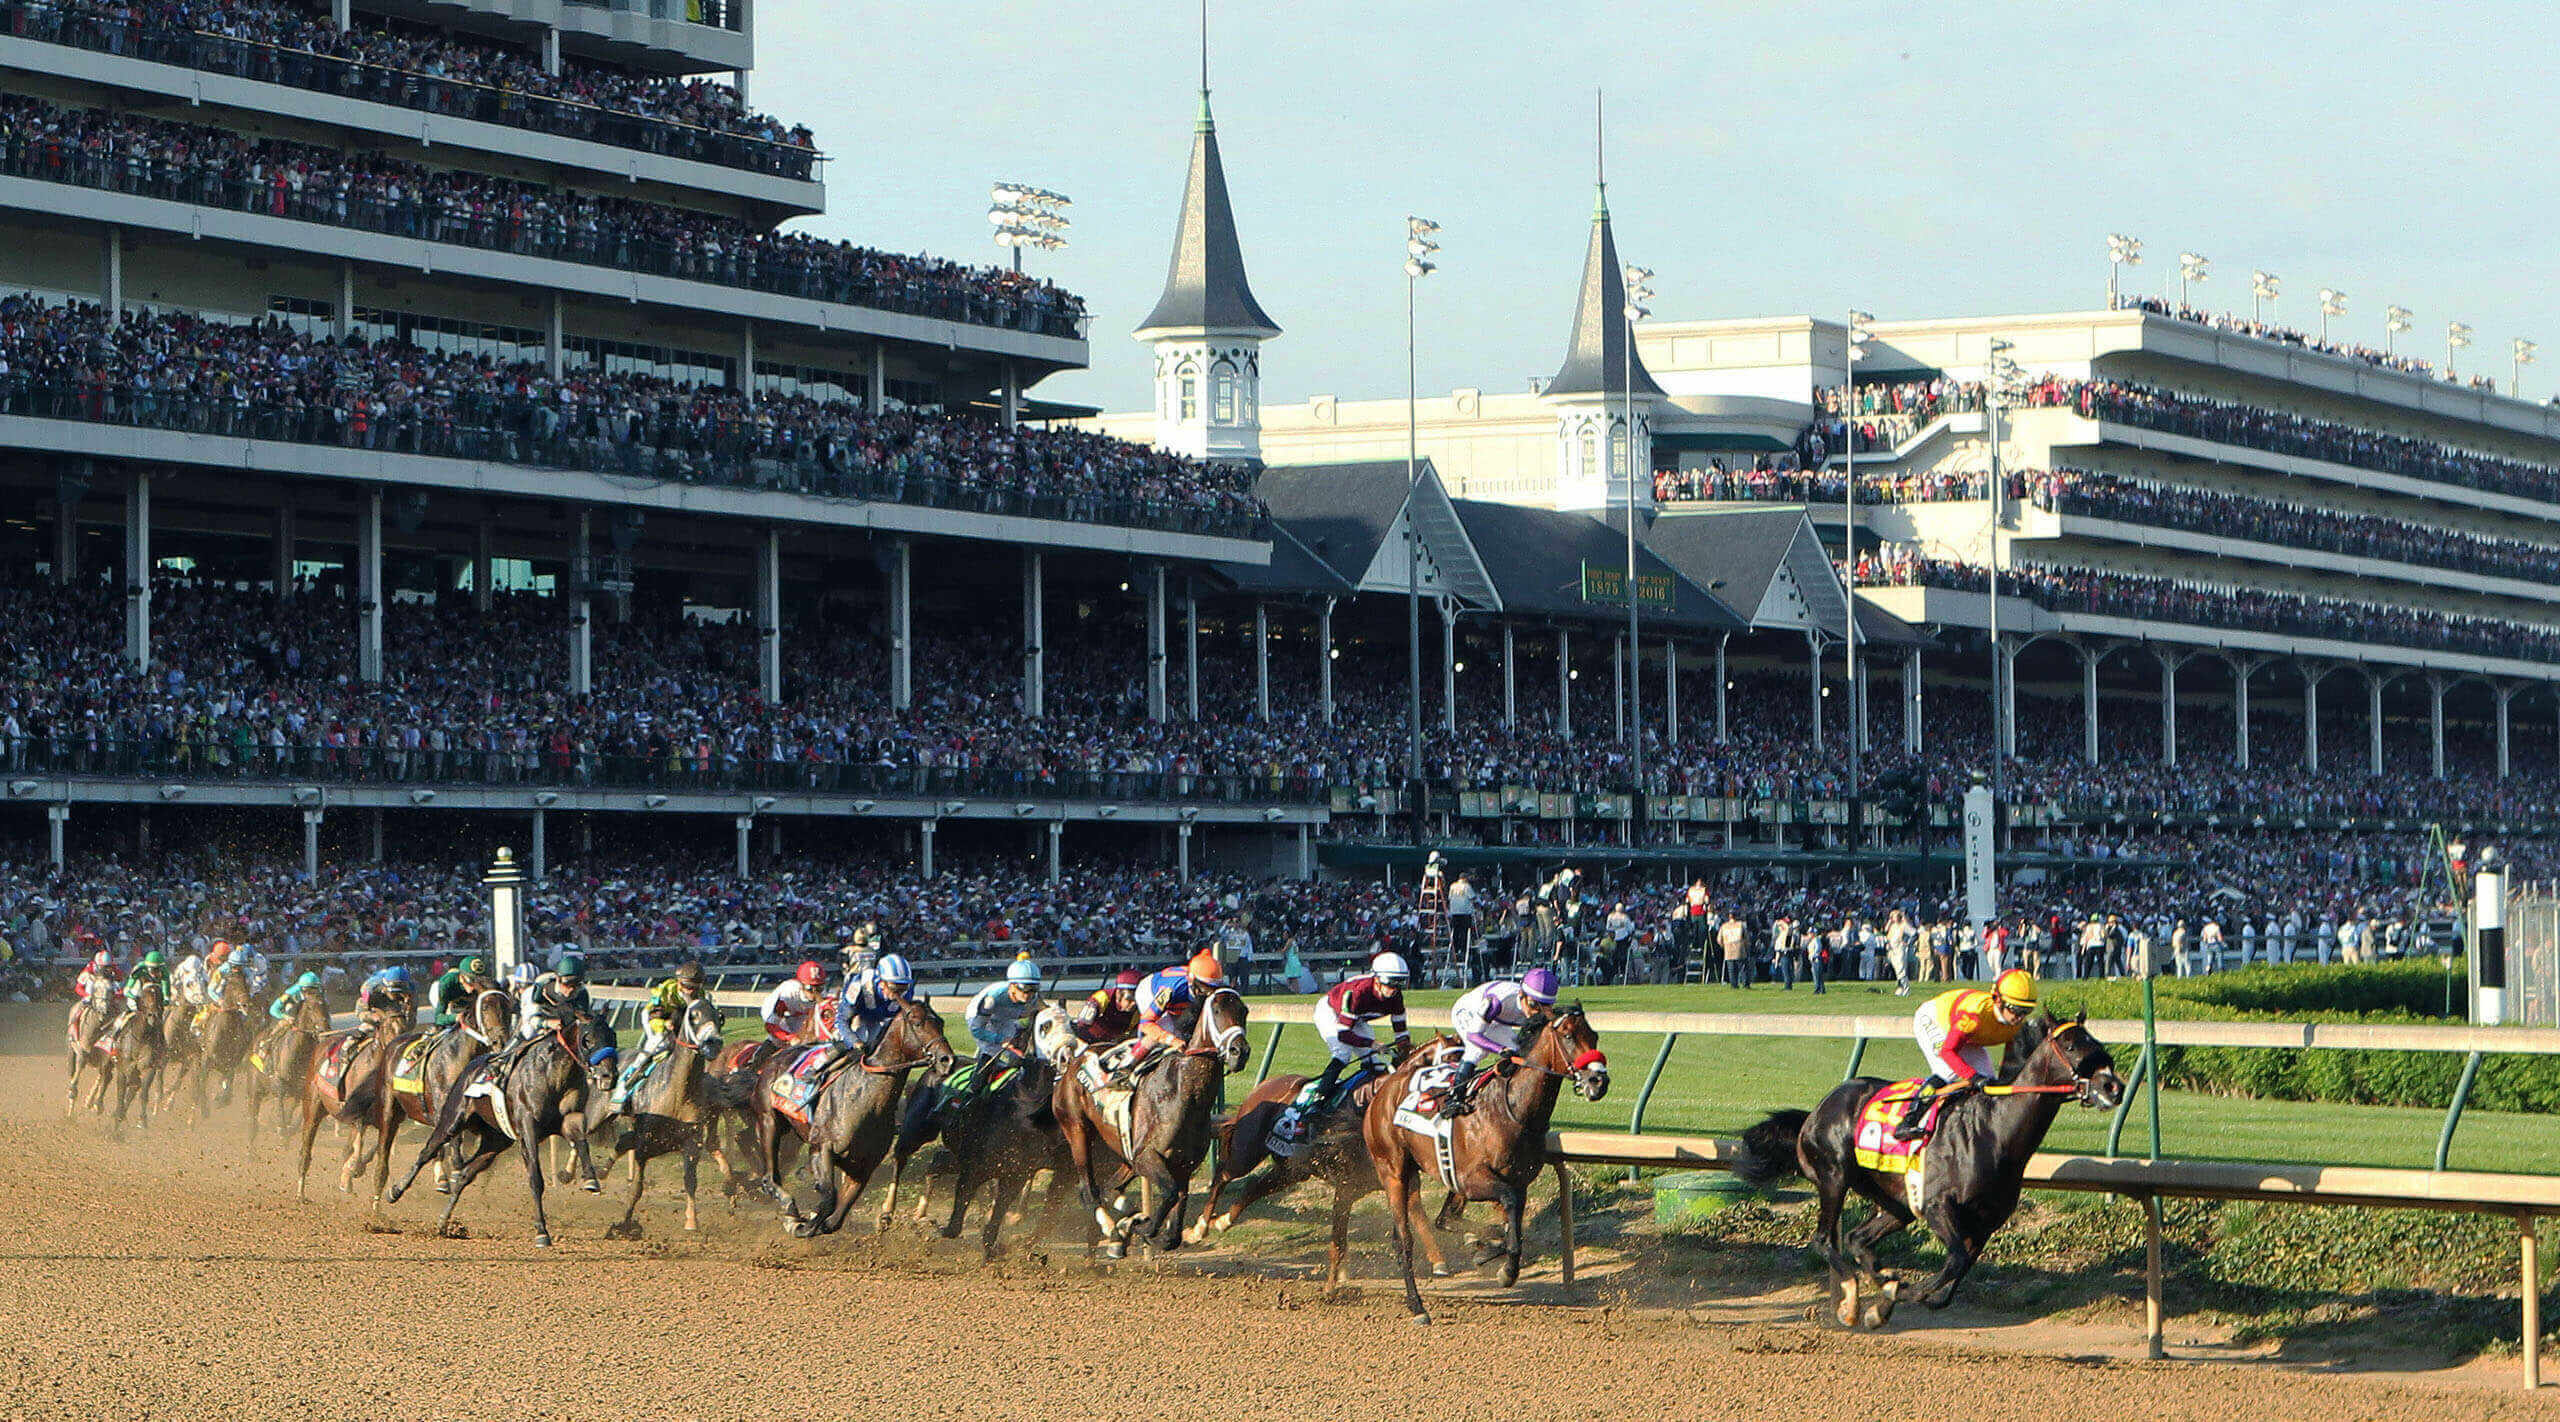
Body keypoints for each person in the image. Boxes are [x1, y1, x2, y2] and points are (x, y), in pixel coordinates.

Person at [1894, 968, 2039, 1140]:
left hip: (1967, 1036)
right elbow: (1947, 1052)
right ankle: (1908, 1122)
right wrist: (1972, 1077)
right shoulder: (1974, 1016)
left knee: (1989, 1079)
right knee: (1947, 1071)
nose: (2020, 1017)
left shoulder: (2016, 1025)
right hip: (1934, 1019)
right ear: (1998, 1000)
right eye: (2015, 1009)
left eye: (2026, 1011)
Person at [1443, 966, 1560, 1115]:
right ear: (1521, 995)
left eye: (1545, 1007)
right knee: (1477, 1051)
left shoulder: (1533, 1005)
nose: (1537, 1012)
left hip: (1497, 1021)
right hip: (1468, 1011)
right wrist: (1500, 1049)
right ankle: (1454, 1098)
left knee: (1520, 1052)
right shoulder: (1497, 1001)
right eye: (1533, 1005)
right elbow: (1474, 1035)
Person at [1306, 952, 1412, 1108]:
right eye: (1390, 983)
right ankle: (1318, 1098)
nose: (1394, 990)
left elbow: (1401, 1033)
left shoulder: (1396, 998)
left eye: (1399, 983)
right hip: (1331, 1012)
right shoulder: (1357, 992)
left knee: (1375, 1064)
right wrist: (1371, 1043)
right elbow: (1344, 1034)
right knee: (1343, 1054)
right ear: (1376, 979)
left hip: (1356, 1018)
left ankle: (1362, 1100)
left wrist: (1405, 1054)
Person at [613, 962, 712, 1111]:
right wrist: (664, 1025)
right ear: (679, 982)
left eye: (695, 986)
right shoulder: (667, 990)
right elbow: (653, 1014)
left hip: (680, 1023)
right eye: (687, 986)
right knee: (658, 1044)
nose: (690, 990)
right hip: (656, 1018)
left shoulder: (701, 995)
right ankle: (625, 1082)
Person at [1126, 950, 1224, 1076]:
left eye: (1213, 988)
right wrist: (1172, 1040)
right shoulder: (1170, 989)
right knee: (1168, 1028)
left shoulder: (1200, 986)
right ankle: (1128, 1065)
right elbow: (1146, 1023)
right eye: (1204, 986)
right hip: (1149, 991)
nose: (1208, 993)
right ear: (1192, 979)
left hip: (1180, 1001)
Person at [963, 954, 1043, 1071]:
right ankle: (976, 1085)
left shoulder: (1033, 998)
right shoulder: (992, 999)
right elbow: (977, 1030)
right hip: (980, 1019)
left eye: (1034, 988)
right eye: (1024, 988)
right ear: (1012, 986)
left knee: (1018, 1056)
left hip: (1005, 1018)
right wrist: (1000, 1040)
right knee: (992, 1052)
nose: (1029, 994)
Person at [832, 951, 917, 1054]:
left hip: (879, 1018)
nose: (899, 994)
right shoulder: (859, 986)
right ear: (881, 982)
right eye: (894, 988)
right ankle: (816, 1067)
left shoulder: (908, 992)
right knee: (842, 1043)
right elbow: (841, 1019)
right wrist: (854, 1042)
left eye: (903, 988)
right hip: (857, 1011)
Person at [761, 961, 829, 1044]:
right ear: (801, 985)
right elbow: (770, 1025)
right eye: (810, 988)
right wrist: (789, 1037)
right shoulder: (787, 994)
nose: (815, 993)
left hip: (800, 1014)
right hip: (775, 1014)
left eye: (819, 988)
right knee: (778, 1041)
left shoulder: (823, 993)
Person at [1072, 969, 1144, 1047]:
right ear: (1119, 994)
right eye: (1130, 999)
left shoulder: (1141, 1009)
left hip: (1114, 1046)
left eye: (1138, 999)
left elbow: (1133, 1036)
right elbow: (1081, 1026)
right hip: (1087, 1042)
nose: (1134, 1004)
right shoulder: (1102, 998)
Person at [428, 956, 496, 1029]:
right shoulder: (447, 983)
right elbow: (438, 1018)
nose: (473, 986)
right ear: (462, 977)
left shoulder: (483, 985)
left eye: (478, 981)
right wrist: (454, 1017)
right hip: (448, 1001)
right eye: (471, 980)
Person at [355, 965, 415, 1035]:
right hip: (378, 999)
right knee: (369, 1026)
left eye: (400, 992)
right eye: (393, 991)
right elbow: (361, 1011)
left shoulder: (412, 990)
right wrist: (374, 1018)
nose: (396, 994)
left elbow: (412, 1020)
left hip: (394, 1002)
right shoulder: (369, 987)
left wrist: (408, 1013)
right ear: (385, 985)